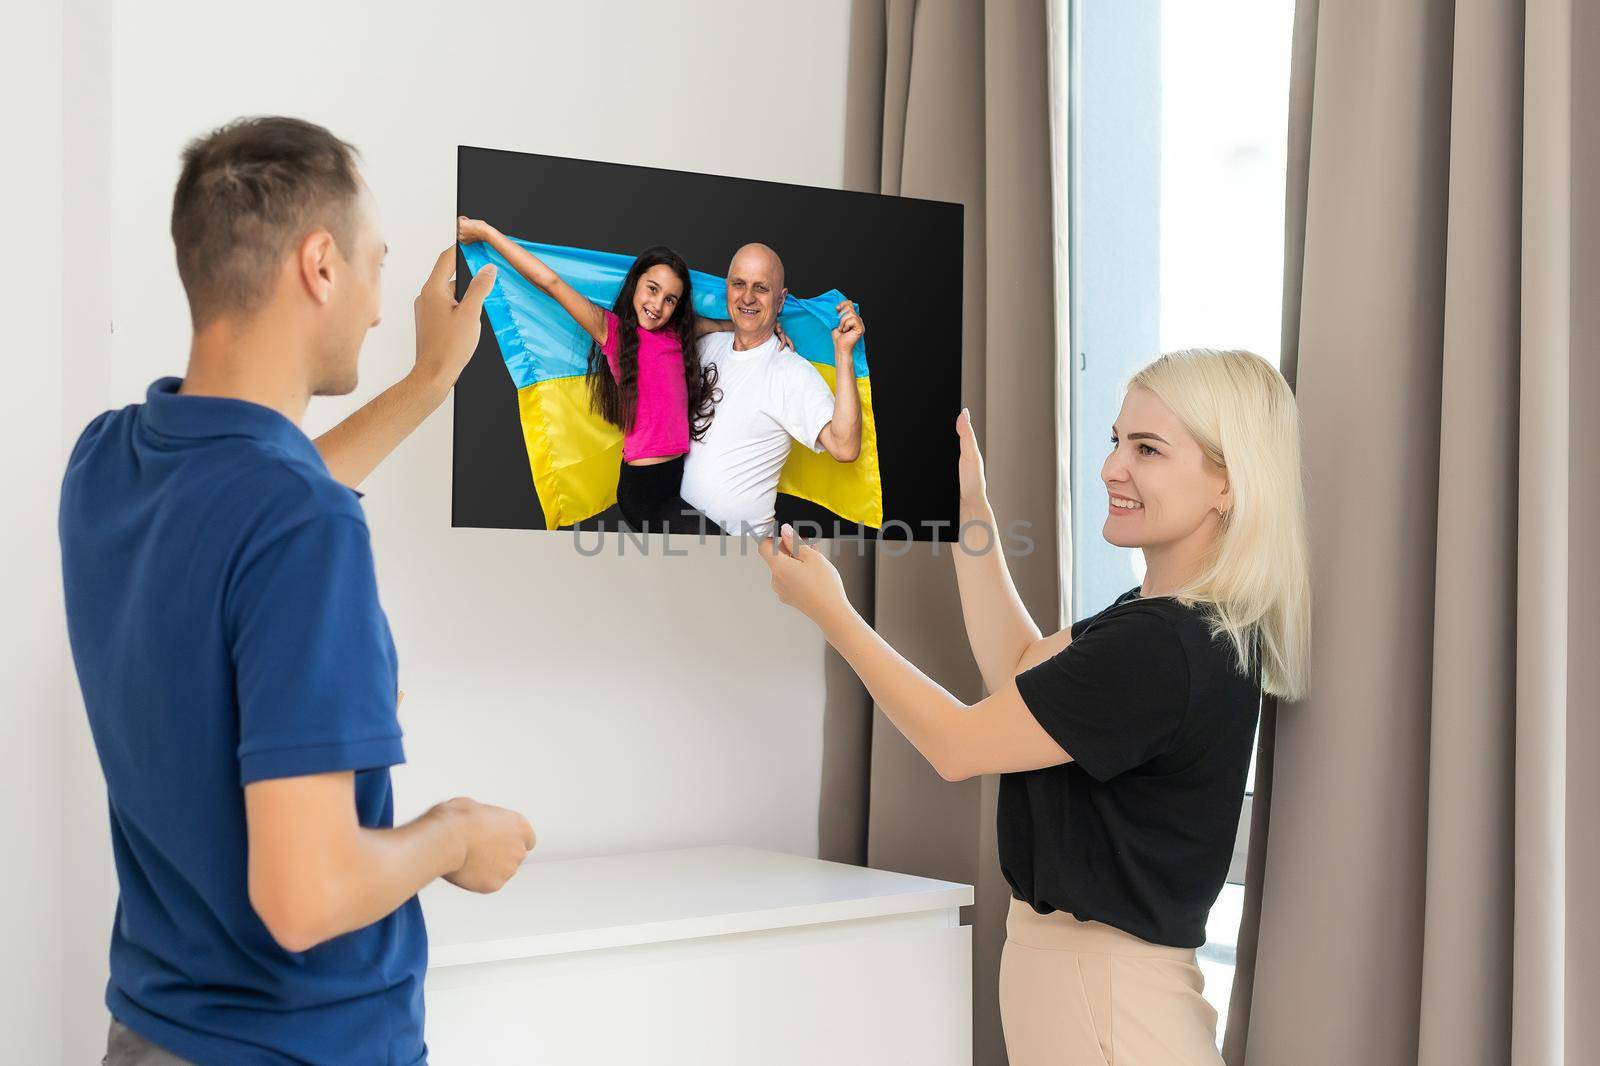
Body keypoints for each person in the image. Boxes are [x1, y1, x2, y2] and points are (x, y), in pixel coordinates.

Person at [61, 117, 536, 1065]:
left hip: (149, 1033)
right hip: (302, 1047)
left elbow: (256, 492)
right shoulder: (304, 529)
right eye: (373, 265)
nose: (375, 306)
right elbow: (305, 897)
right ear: (320, 264)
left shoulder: (108, 459)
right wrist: (453, 837)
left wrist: (430, 377)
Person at [761, 348, 1311, 1064]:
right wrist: (970, 509)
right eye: (1117, 441)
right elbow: (1021, 671)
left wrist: (833, 615)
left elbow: (958, 747)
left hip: (1104, 994)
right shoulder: (1173, 624)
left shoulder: (1161, 646)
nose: (1114, 467)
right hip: (1101, 991)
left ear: (1227, 483)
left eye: (1148, 449)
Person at [457, 217, 733, 533]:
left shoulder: (679, 334)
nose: (657, 305)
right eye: (652, 289)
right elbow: (551, 283)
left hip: (677, 481)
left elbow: (731, 326)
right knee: (720, 547)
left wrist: (771, 328)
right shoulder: (612, 331)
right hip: (644, 493)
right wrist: (486, 233)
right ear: (636, 284)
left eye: (670, 299)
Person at [681, 242, 863, 538]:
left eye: (761, 288)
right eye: (739, 284)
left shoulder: (790, 371)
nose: (748, 297)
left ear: (780, 300)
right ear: (727, 288)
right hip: (675, 538)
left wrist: (843, 354)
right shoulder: (705, 347)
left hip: (740, 549)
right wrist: (734, 324)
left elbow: (845, 447)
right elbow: (661, 331)